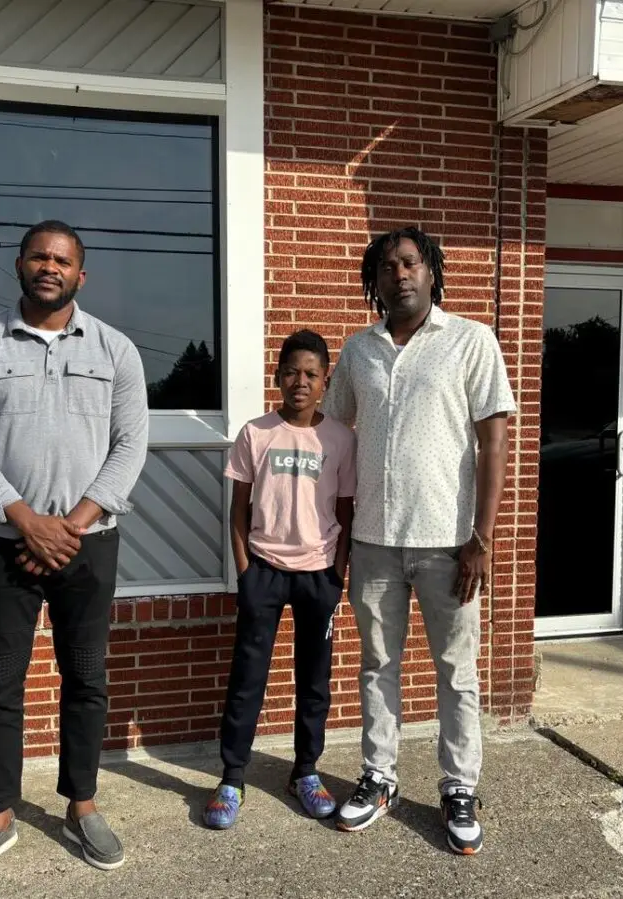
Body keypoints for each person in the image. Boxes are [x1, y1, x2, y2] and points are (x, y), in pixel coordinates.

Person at [0, 220, 148, 887]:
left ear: (81, 275)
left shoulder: (116, 350)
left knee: (86, 678)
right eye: (39, 256)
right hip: (4, 546)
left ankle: (80, 805)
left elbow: (130, 446)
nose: (50, 266)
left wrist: (71, 525)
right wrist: (26, 519)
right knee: (0, 683)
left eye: (63, 260)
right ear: (20, 264)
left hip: (89, 548)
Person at [322, 227, 514, 855]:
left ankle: (460, 785)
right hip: (375, 542)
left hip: (449, 544)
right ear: (373, 281)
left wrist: (481, 537)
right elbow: (335, 435)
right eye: (386, 266)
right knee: (377, 665)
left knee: (456, 672)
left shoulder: (470, 340)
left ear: (432, 271)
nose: (398, 274)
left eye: (410, 263)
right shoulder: (358, 350)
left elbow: (494, 442)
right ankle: (380, 778)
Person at [203, 329, 356, 830]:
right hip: (264, 571)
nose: (300, 381)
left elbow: (346, 510)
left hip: (318, 575)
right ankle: (231, 777)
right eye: (291, 371)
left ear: (325, 382)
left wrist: (337, 571)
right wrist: (246, 570)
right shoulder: (256, 433)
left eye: (311, 374)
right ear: (277, 376)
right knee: (249, 677)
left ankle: (305, 771)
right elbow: (238, 511)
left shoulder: (339, 437)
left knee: (314, 680)